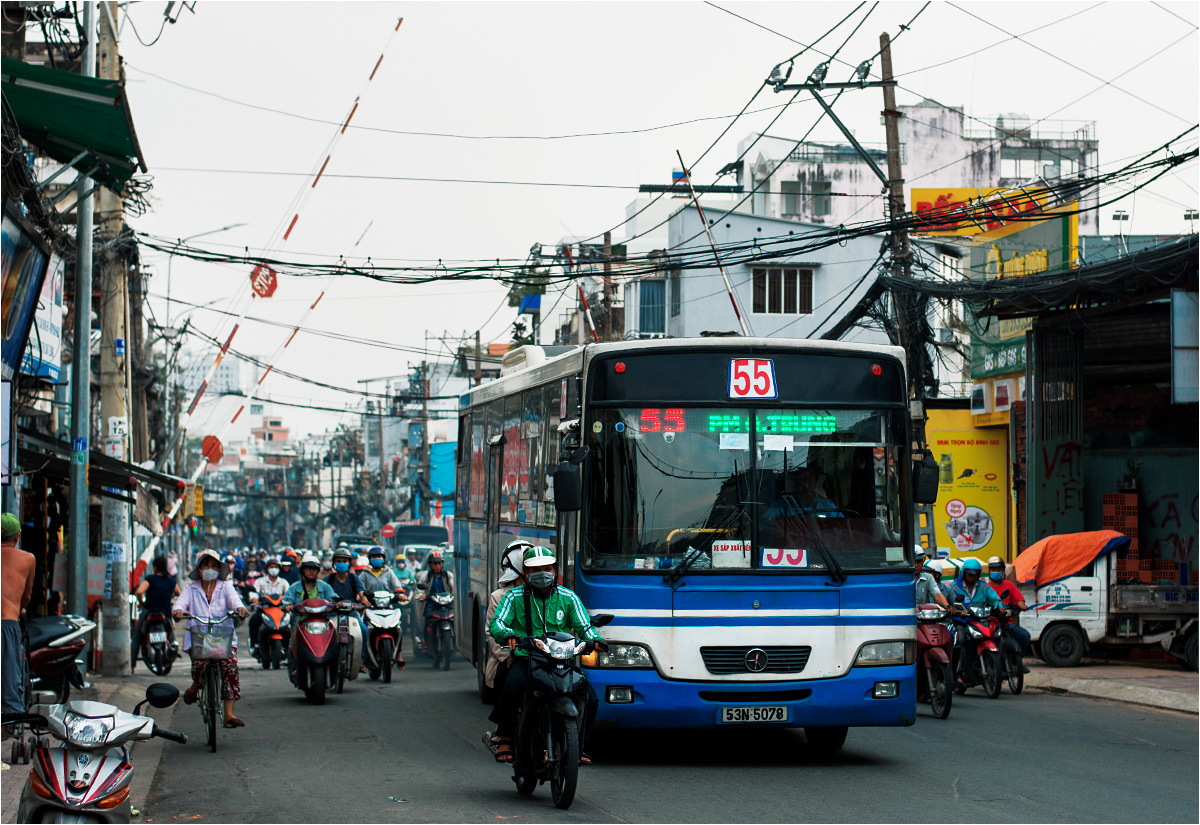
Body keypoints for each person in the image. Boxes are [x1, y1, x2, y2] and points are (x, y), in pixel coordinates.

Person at [489, 546, 606, 765]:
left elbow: (584, 626)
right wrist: (507, 634)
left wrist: (595, 640)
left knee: (590, 699)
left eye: (547, 568)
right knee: (513, 687)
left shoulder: (568, 597)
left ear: (554, 570)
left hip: (561, 661)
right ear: (525, 573)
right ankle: (504, 736)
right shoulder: (513, 597)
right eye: (535, 570)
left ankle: (579, 745)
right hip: (527, 659)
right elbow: (498, 622)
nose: (542, 573)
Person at [172, 550, 248, 728]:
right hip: (199, 638)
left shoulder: (226, 587)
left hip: (224, 637)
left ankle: (228, 714)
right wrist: (178, 611)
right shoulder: (190, 589)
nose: (210, 568)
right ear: (199, 570)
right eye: (206, 565)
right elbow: (180, 603)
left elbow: (235, 601)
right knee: (200, 668)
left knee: (230, 669)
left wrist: (240, 609)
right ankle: (195, 686)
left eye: (214, 565)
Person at [485, 541, 532, 732]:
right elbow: (491, 632)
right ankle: (503, 730)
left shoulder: (548, 594)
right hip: (508, 656)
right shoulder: (500, 596)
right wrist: (509, 656)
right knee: (505, 681)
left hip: (539, 655)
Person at [949, 557, 1003, 686]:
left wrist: (1000, 607)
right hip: (961, 622)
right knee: (960, 640)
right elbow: (952, 602)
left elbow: (994, 598)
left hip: (980, 621)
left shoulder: (983, 586)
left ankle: (997, 667)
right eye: (969, 574)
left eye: (975, 575)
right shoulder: (954, 587)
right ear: (964, 573)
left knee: (997, 635)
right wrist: (957, 611)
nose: (972, 577)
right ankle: (956, 673)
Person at [2, 513, 35, 716]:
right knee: (8, 690)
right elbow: (26, 596)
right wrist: (19, 608)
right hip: (7, 624)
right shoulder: (27, 558)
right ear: (17, 536)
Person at [131, 556, 181, 673]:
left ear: (154, 567)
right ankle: (174, 649)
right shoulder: (171, 581)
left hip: (149, 611)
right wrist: (170, 596)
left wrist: (141, 603)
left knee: (137, 638)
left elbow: (139, 592)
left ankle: (132, 666)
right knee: (171, 634)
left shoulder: (150, 579)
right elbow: (179, 593)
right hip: (165, 612)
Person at [359, 546, 407, 665]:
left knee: (397, 628)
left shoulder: (388, 572)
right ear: (370, 559)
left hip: (387, 607)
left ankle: (399, 655)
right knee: (364, 630)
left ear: (383, 559)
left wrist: (400, 595)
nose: (377, 559)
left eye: (379, 557)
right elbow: (359, 589)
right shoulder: (365, 574)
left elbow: (398, 587)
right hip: (371, 608)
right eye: (374, 557)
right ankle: (363, 656)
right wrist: (361, 597)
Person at [986, 555, 1032, 672]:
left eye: (999, 569)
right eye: (993, 570)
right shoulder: (985, 587)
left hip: (1006, 623)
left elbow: (1018, 598)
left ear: (1003, 571)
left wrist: (1022, 605)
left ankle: (1016, 662)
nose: (996, 572)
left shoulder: (1009, 585)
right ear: (989, 571)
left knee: (1024, 636)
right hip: (990, 624)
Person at [248, 557, 290, 661]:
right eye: (272, 567)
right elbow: (254, 593)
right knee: (253, 620)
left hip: (280, 611)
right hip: (264, 610)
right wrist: (254, 600)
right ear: (267, 568)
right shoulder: (260, 581)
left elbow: (289, 596)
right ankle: (255, 646)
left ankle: (290, 645)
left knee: (292, 622)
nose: (274, 569)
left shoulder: (283, 582)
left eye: (276, 567)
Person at [764, 466, 843, 519]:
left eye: (811, 478)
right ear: (797, 481)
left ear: (816, 481)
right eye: (803, 478)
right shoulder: (782, 505)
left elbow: (841, 527)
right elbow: (766, 523)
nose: (806, 483)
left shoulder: (827, 506)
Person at [415, 550, 455, 655]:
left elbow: (454, 588)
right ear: (430, 564)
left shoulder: (448, 575)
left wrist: (455, 596)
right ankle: (425, 641)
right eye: (435, 563)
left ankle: (455, 638)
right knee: (428, 619)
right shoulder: (426, 577)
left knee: (455, 618)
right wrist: (421, 595)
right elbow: (419, 591)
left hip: (447, 603)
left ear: (442, 564)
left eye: (439, 563)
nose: (437, 566)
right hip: (432, 604)